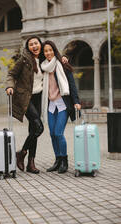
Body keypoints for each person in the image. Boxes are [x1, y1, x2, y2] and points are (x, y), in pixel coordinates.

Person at [6, 36, 68, 174]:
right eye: (31, 44)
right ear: (28, 47)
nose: (34, 46)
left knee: (33, 129)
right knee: (39, 127)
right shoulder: (24, 59)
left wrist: (63, 58)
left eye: (36, 43)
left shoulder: (43, 60)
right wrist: (9, 87)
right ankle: (22, 153)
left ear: (40, 44)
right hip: (25, 98)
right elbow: (11, 74)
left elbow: (53, 55)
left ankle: (31, 163)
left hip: (39, 98)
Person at [41, 40, 81, 173]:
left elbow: (72, 84)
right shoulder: (43, 67)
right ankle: (57, 160)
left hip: (63, 104)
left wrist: (76, 101)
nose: (48, 53)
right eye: (45, 51)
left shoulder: (62, 64)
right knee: (52, 134)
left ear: (54, 50)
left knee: (58, 133)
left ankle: (64, 161)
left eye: (50, 50)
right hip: (51, 104)